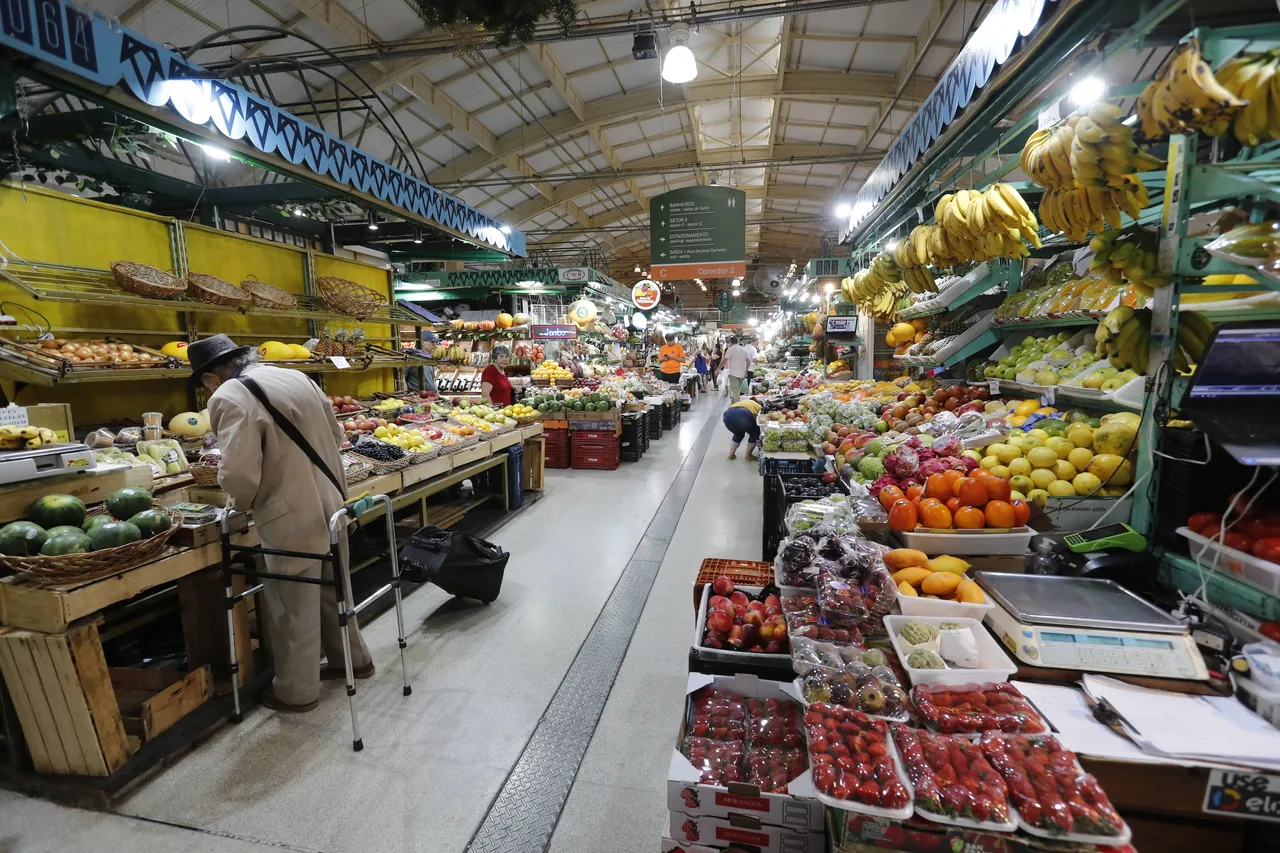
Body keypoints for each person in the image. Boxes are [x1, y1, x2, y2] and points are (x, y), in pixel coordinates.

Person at [190, 334, 373, 713]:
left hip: (290, 513)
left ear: (210, 377)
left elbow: (240, 472)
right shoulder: (296, 377)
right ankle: (353, 660)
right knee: (332, 589)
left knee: (293, 604)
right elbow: (337, 435)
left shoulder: (229, 396)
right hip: (332, 500)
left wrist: (236, 506)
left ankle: (296, 691)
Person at [404, 331, 438, 395]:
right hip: (418, 397)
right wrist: (406, 394)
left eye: (435, 342)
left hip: (431, 397)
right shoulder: (412, 357)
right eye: (432, 342)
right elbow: (402, 376)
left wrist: (437, 394)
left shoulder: (431, 358)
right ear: (423, 343)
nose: (435, 345)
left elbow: (432, 380)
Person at [722, 336, 752, 403]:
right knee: (736, 390)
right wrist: (746, 371)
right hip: (742, 373)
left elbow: (724, 360)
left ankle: (738, 407)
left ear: (730, 342)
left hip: (733, 373)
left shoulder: (731, 349)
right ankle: (733, 405)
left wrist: (718, 369)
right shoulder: (743, 349)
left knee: (735, 391)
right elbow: (748, 361)